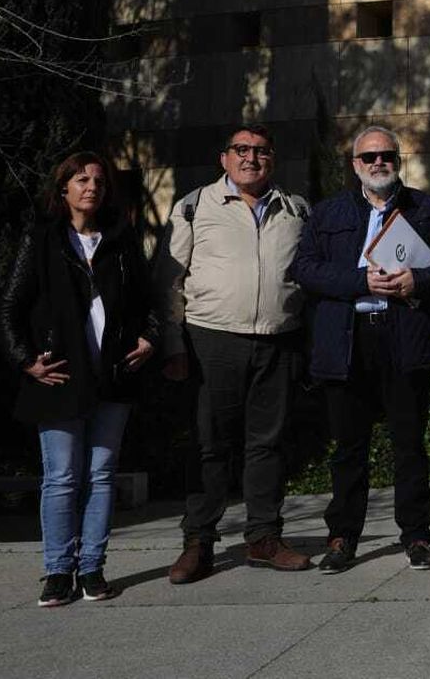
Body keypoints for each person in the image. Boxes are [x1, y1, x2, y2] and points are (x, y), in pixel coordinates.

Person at [292, 124, 430, 572]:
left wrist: (417, 279)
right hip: (347, 341)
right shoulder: (327, 214)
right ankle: (343, 537)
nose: (378, 162)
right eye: (369, 157)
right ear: (355, 166)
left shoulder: (424, 208)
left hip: (403, 336)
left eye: (386, 155)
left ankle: (418, 536)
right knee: (349, 448)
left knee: (409, 445)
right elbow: (304, 269)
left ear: (397, 160)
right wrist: (357, 280)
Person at [0, 152, 160, 606]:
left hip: (113, 374)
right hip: (61, 375)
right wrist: (26, 361)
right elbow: (10, 307)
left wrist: (149, 337)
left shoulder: (121, 239)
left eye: (99, 181)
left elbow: (147, 302)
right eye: (81, 179)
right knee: (62, 477)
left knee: (103, 474)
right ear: (63, 188)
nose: (91, 187)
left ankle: (91, 568)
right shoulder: (43, 239)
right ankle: (56, 571)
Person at [161, 124, 313, 584]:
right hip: (212, 340)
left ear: (273, 158)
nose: (251, 158)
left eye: (261, 151)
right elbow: (168, 280)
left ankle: (263, 538)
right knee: (211, 444)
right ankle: (199, 542)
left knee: (267, 444)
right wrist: (173, 344)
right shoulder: (193, 206)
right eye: (241, 150)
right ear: (224, 158)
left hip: (277, 339)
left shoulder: (297, 209)